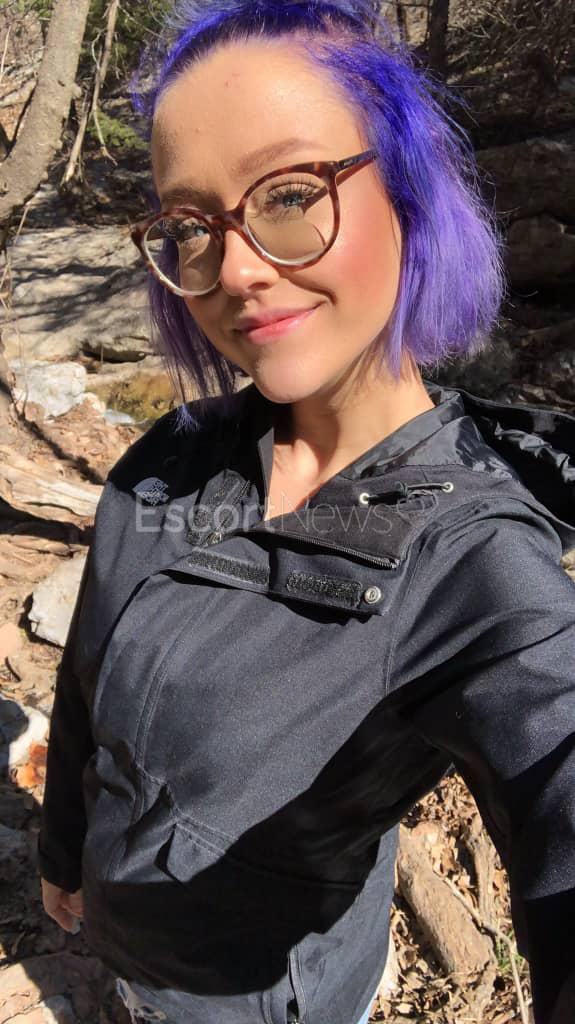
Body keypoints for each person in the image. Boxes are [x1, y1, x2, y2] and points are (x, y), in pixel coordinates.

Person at [38, 2, 575, 1023]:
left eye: (288, 194)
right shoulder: (168, 457)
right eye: (190, 227)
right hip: (129, 957)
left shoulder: (471, 562)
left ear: (409, 196)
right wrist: (63, 847)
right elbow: (86, 683)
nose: (235, 269)